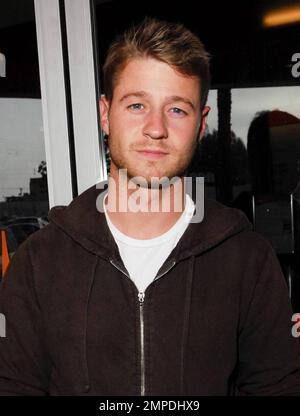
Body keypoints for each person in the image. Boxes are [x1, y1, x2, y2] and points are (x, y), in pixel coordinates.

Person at [0, 17, 300, 396]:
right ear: (105, 114)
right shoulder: (39, 262)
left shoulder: (247, 258)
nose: (155, 128)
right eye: (137, 104)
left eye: (177, 109)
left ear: (201, 123)